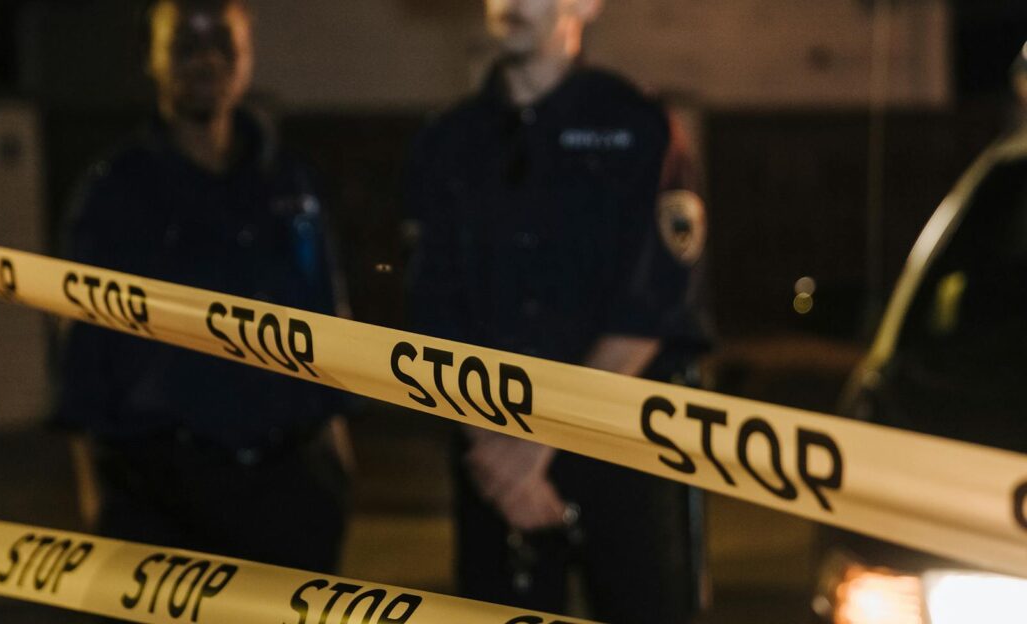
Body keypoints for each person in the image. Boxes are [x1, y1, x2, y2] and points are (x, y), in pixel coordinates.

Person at [406, 0, 710, 621]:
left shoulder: (640, 128)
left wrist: (532, 448)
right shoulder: (448, 142)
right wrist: (496, 454)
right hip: (491, 452)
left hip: (622, 451)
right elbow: (435, 315)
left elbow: (651, 308)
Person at [55, 0, 347, 573]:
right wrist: (101, 505)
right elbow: (81, 355)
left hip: (287, 488)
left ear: (246, 57)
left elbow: (325, 315)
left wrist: (336, 465)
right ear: (155, 58)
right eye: (186, 44)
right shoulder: (114, 193)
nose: (206, 60)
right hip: (164, 495)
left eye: (223, 44)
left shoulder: (288, 181)